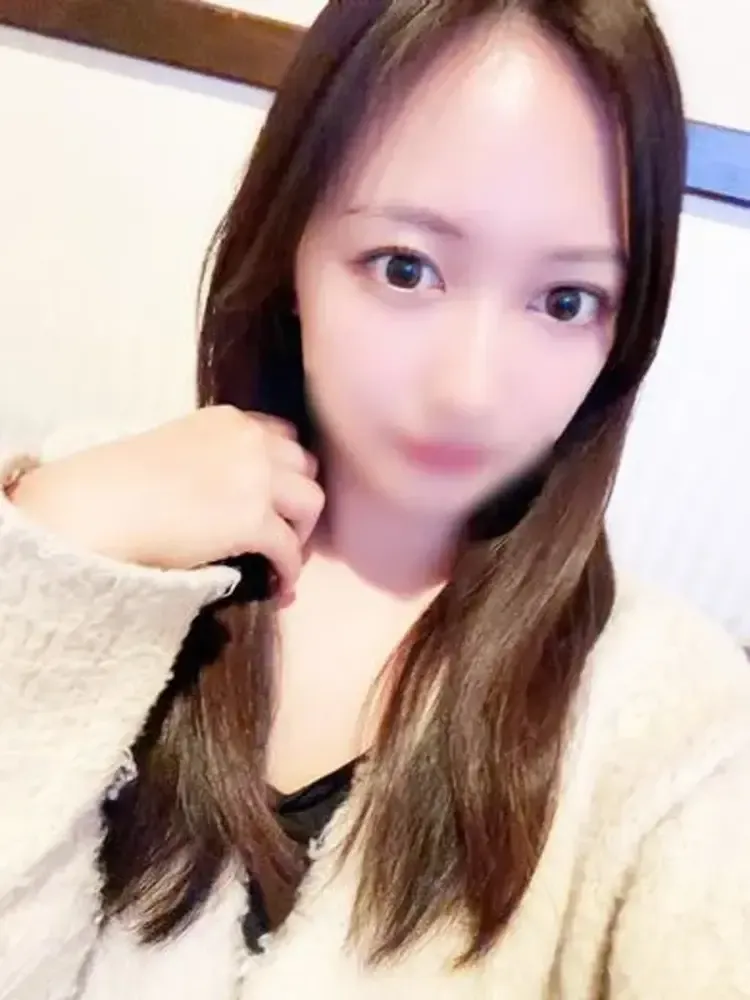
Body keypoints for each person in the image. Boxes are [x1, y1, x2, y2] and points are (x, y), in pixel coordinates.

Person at [1, 0, 749, 997]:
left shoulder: (677, 725)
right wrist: (56, 552)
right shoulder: (91, 538)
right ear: (291, 251)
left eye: (564, 300)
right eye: (406, 268)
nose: (471, 388)